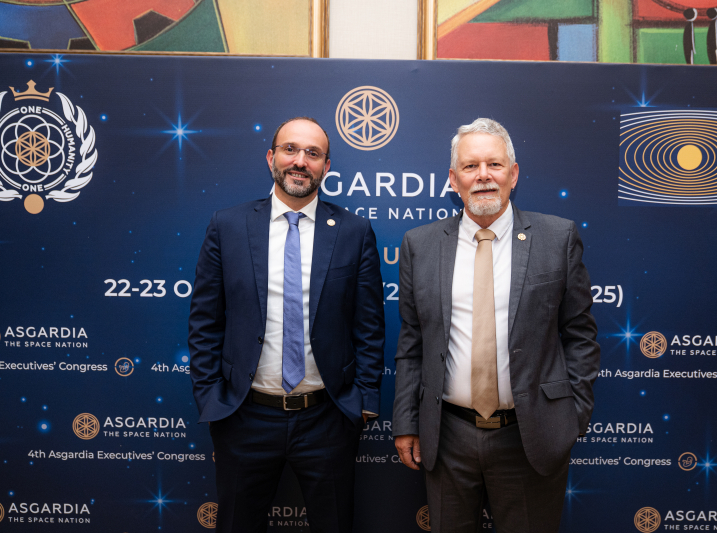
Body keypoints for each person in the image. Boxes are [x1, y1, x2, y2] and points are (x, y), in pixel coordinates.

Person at [392, 118, 601, 533]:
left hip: (531, 436)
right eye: (470, 166)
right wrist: (407, 423)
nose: (483, 175)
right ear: (454, 179)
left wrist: (569, 417)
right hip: (447, 437)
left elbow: (580, 335)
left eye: (495, 164)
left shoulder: (557, 237)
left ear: (513, 174)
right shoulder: (420, 244)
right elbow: (413, 343)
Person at [189, 117, 385, 532]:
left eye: (313, 153)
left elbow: (369, 326)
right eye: (290, 149)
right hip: (244, 417)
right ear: (271, 157)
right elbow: (205, 320)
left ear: (326, 166)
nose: (300, 161)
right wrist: (211, 398)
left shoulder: (354, 231)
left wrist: (363, 402)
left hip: (328, 418)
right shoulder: (228, 225)